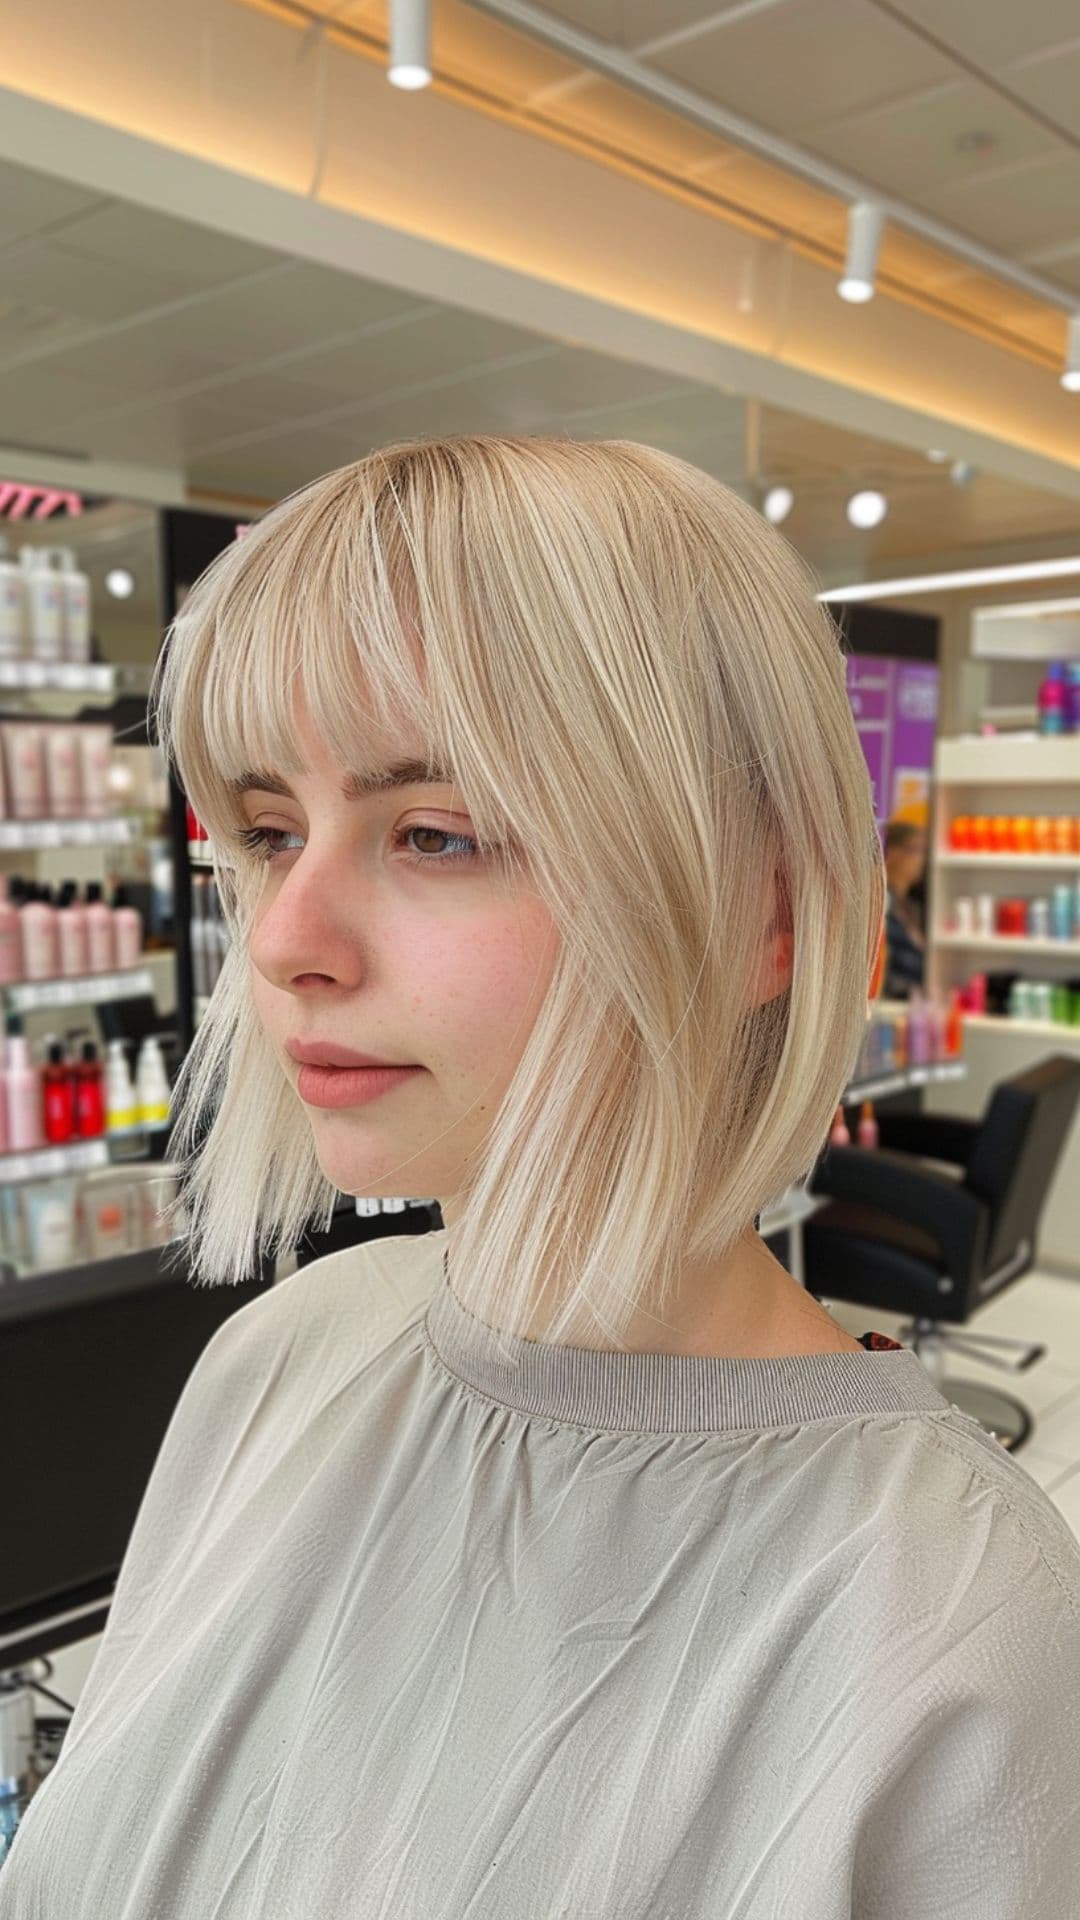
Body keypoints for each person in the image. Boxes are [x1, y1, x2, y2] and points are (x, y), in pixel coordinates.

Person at [5, 437, 1078, 1918]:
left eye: (434, 832)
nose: (281, 939)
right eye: (267, 834)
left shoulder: (954, 1621)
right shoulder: (277, 1360)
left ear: (761, 909)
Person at [883, 816, 928, 998]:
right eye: (915, 849)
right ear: (892, 852)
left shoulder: (912, 907)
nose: (921, 859)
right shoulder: (883, 905)